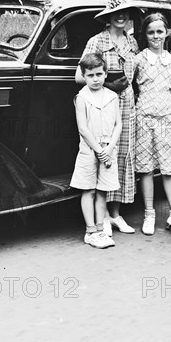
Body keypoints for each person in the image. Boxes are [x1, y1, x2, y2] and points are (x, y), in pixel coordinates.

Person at [75, 0, 139, 236]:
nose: (121, 16)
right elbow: (79, 76)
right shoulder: (97, 42)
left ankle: (115, 214)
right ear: (109, 16)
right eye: (116, 13)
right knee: (102, 155)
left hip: (127, 105)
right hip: (103, 104)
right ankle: (100, 219)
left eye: (125, 12)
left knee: (121, 156)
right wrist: (108, 85)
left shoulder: (131, 42)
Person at [133, 13, 171, 235]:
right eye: (151, 32)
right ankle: (149, 214)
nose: (156, 36)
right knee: (145, 169)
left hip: (167, 119)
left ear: (167, 33)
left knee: (168, 168)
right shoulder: (138, 60)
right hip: (144, 119)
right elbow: (129, 88)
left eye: (160, 31)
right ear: (145, 34)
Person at [70, 53, 122, 249]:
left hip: (108, 149)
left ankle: (101, 230)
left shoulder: (112, 96)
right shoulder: (82, 97)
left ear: (105, 74)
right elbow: (83, 128)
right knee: (89, 190)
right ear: (84, 75)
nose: (95, 79)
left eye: (99, 74)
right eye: (90, 75)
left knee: (102, 192)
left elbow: (118, 124)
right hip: (89, 150)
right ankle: (90, 231)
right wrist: (100, 150)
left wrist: (108, 149)